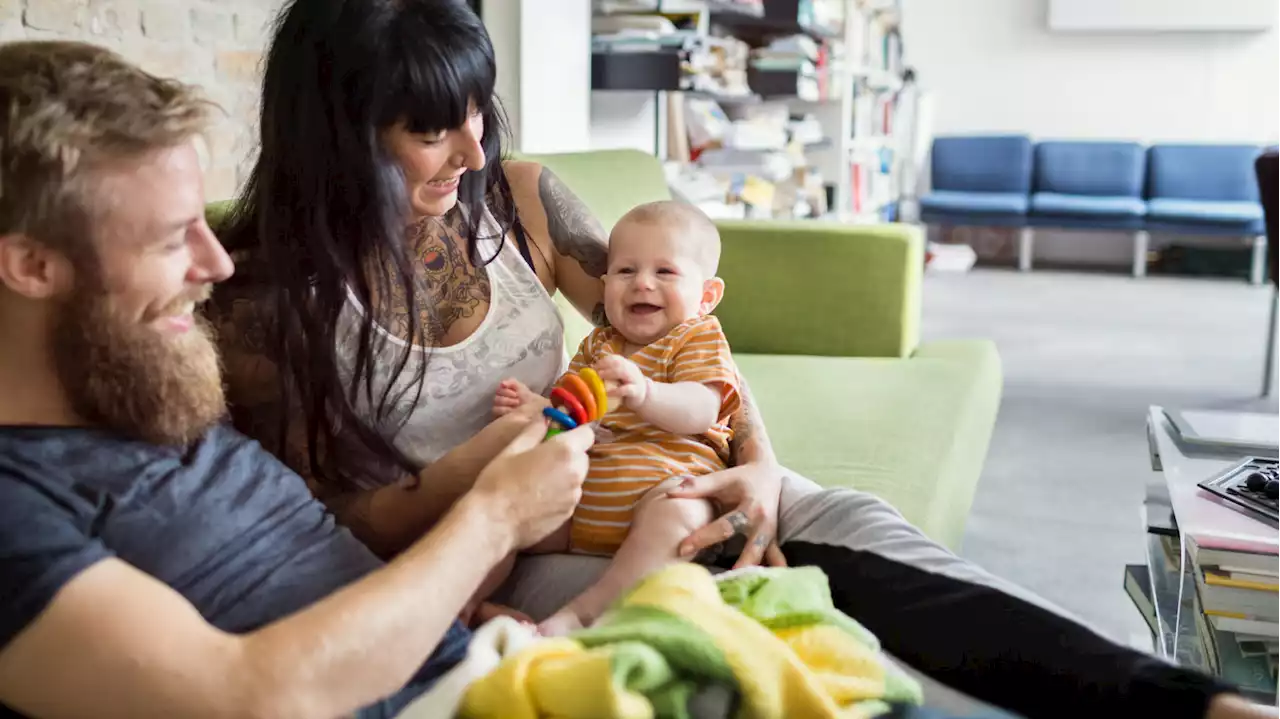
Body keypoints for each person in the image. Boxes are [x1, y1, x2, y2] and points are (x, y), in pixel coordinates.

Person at [205, 1, 1275, 718]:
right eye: (433, 130)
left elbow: (676, 334)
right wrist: (499, 468)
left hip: (644, 459)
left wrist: (757, 453)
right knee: (774, 584)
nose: (475, 148)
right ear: (339, 130)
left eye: (478, 110)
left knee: (851, 524)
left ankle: (1184, 700)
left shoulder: (517, 201)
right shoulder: (265, 304)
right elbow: (363, 520)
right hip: (511, 549)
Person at [0, 40, 597, 719]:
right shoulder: (20, 500)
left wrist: (465, 613)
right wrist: (494, 517)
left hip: (475, 667)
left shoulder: (147, 386)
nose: (217, 263)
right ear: (31, 266)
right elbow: (247, 694)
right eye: (172, 240)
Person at [494, 200, 741, 635]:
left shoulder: (696, 335)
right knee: (512, 504)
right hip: (583, 503)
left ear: (707, 296)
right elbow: (570, 409)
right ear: (605, 283)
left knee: (677, 513)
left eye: (664, 272)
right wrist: (540, 408)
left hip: (664, 490)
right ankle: (470, 603)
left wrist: (646, 393)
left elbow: (701, 409)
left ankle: (586, 613)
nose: (642, 284)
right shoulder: (598, 345)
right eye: (626, 271)